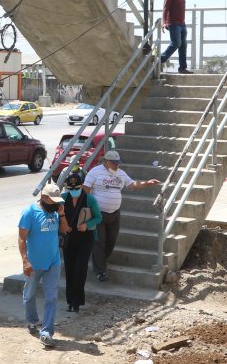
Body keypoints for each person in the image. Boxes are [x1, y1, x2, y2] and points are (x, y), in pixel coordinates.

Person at [84, 149, 160, 282]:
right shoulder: (95, 172)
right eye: (113, 163)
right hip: (98, 214)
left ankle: (99, 260)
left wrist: (147, 183)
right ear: (106, 162)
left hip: (114, 214)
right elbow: (85, 189)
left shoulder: (121, 173)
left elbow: (132, 185)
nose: (116, 165)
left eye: (118, 163)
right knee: (99, 242)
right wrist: (89, 207)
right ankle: (100, 271)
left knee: (111, 241)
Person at [19, 183, 68, 348]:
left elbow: (66, 229)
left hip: (53, 262)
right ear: (44, 197)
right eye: (53, 200)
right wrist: (25, 261)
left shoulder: (56, 213)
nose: (56, 203)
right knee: (29, 294)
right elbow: (21, 238)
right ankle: (32, 321)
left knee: (51, 297)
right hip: (34, 264)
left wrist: (62, 215)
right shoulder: (30, 212)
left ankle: (46, 332)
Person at [61, 168, 101, 313]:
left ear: (81, 186)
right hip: (69, 239)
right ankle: (70, 301)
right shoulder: (64, 198)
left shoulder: (89, 199)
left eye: (76, 189)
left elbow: (98, 217)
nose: (74, 192)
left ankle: (77, 302)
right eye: (71, 189)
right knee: (69, 269)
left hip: (85, 239)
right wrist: (64, 227)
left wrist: (87, 225)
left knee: (80, 269)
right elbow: (58, 216)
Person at [160, 0, 191, 74]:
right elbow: (165, 8)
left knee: (183, 45)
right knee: (176, 43)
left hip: (182, 24)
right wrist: (163, 22)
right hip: (173, 23)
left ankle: (182, 68)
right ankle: (160, 59)